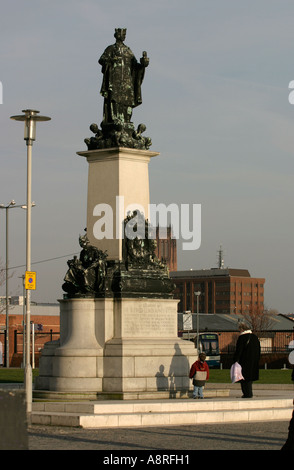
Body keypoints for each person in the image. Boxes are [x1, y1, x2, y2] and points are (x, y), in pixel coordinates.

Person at [98, 28, 149, 126]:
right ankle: (114, 119)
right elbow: (102, 60)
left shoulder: (127, 50)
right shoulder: (111, 49)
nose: (123, 36)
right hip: (115, 79)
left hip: (126, 80)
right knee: (114, 98)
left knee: (128, 100)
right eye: (121, 34)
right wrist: (111, 60)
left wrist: (143, 64)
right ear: (116, 35)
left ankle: (126, 120)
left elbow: (135, 66)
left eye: (124, 35)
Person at [233, 322, 261, 398]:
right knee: (250, 379)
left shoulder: (242, 338)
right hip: (254, 361)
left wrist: (235, 360)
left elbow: (239, 351)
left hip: (244, 361)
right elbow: (258, 350)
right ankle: (249, 393)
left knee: (243, 378)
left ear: (242, 329)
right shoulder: (255, 337)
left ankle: (247, 394)